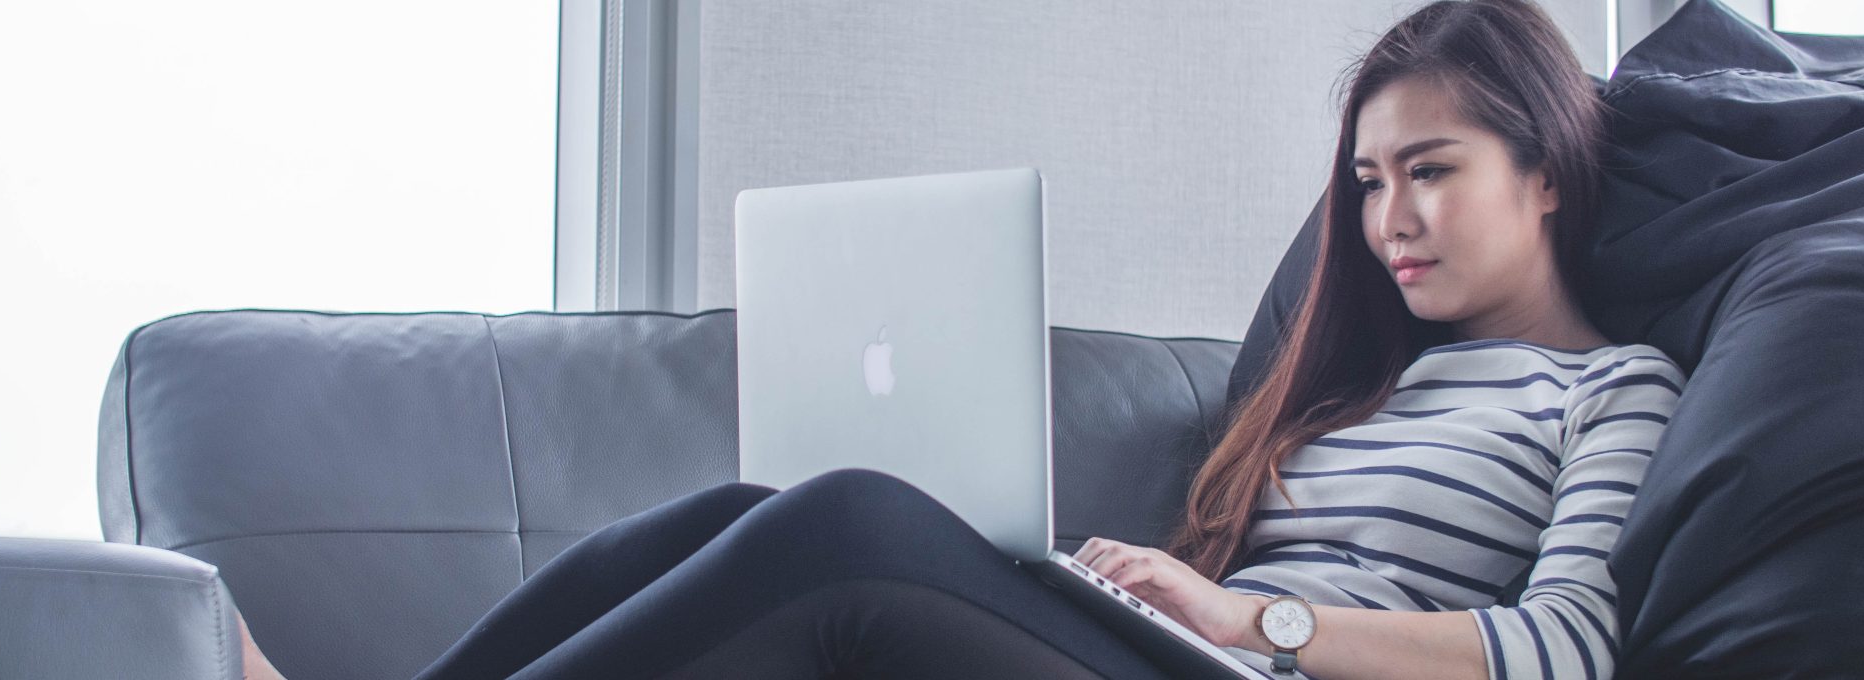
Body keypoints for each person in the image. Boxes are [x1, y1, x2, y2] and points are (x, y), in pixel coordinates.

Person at [238, 0, 1686, 678]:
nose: (1387, 219)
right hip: (1187, 661)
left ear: (1545, 167)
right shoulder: (1365, 386)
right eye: (1367, 183)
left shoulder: (1611, 387)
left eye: (1429, 170)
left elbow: (1564, 650)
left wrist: (1255, 616)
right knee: (760, 507)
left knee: (858, 519)